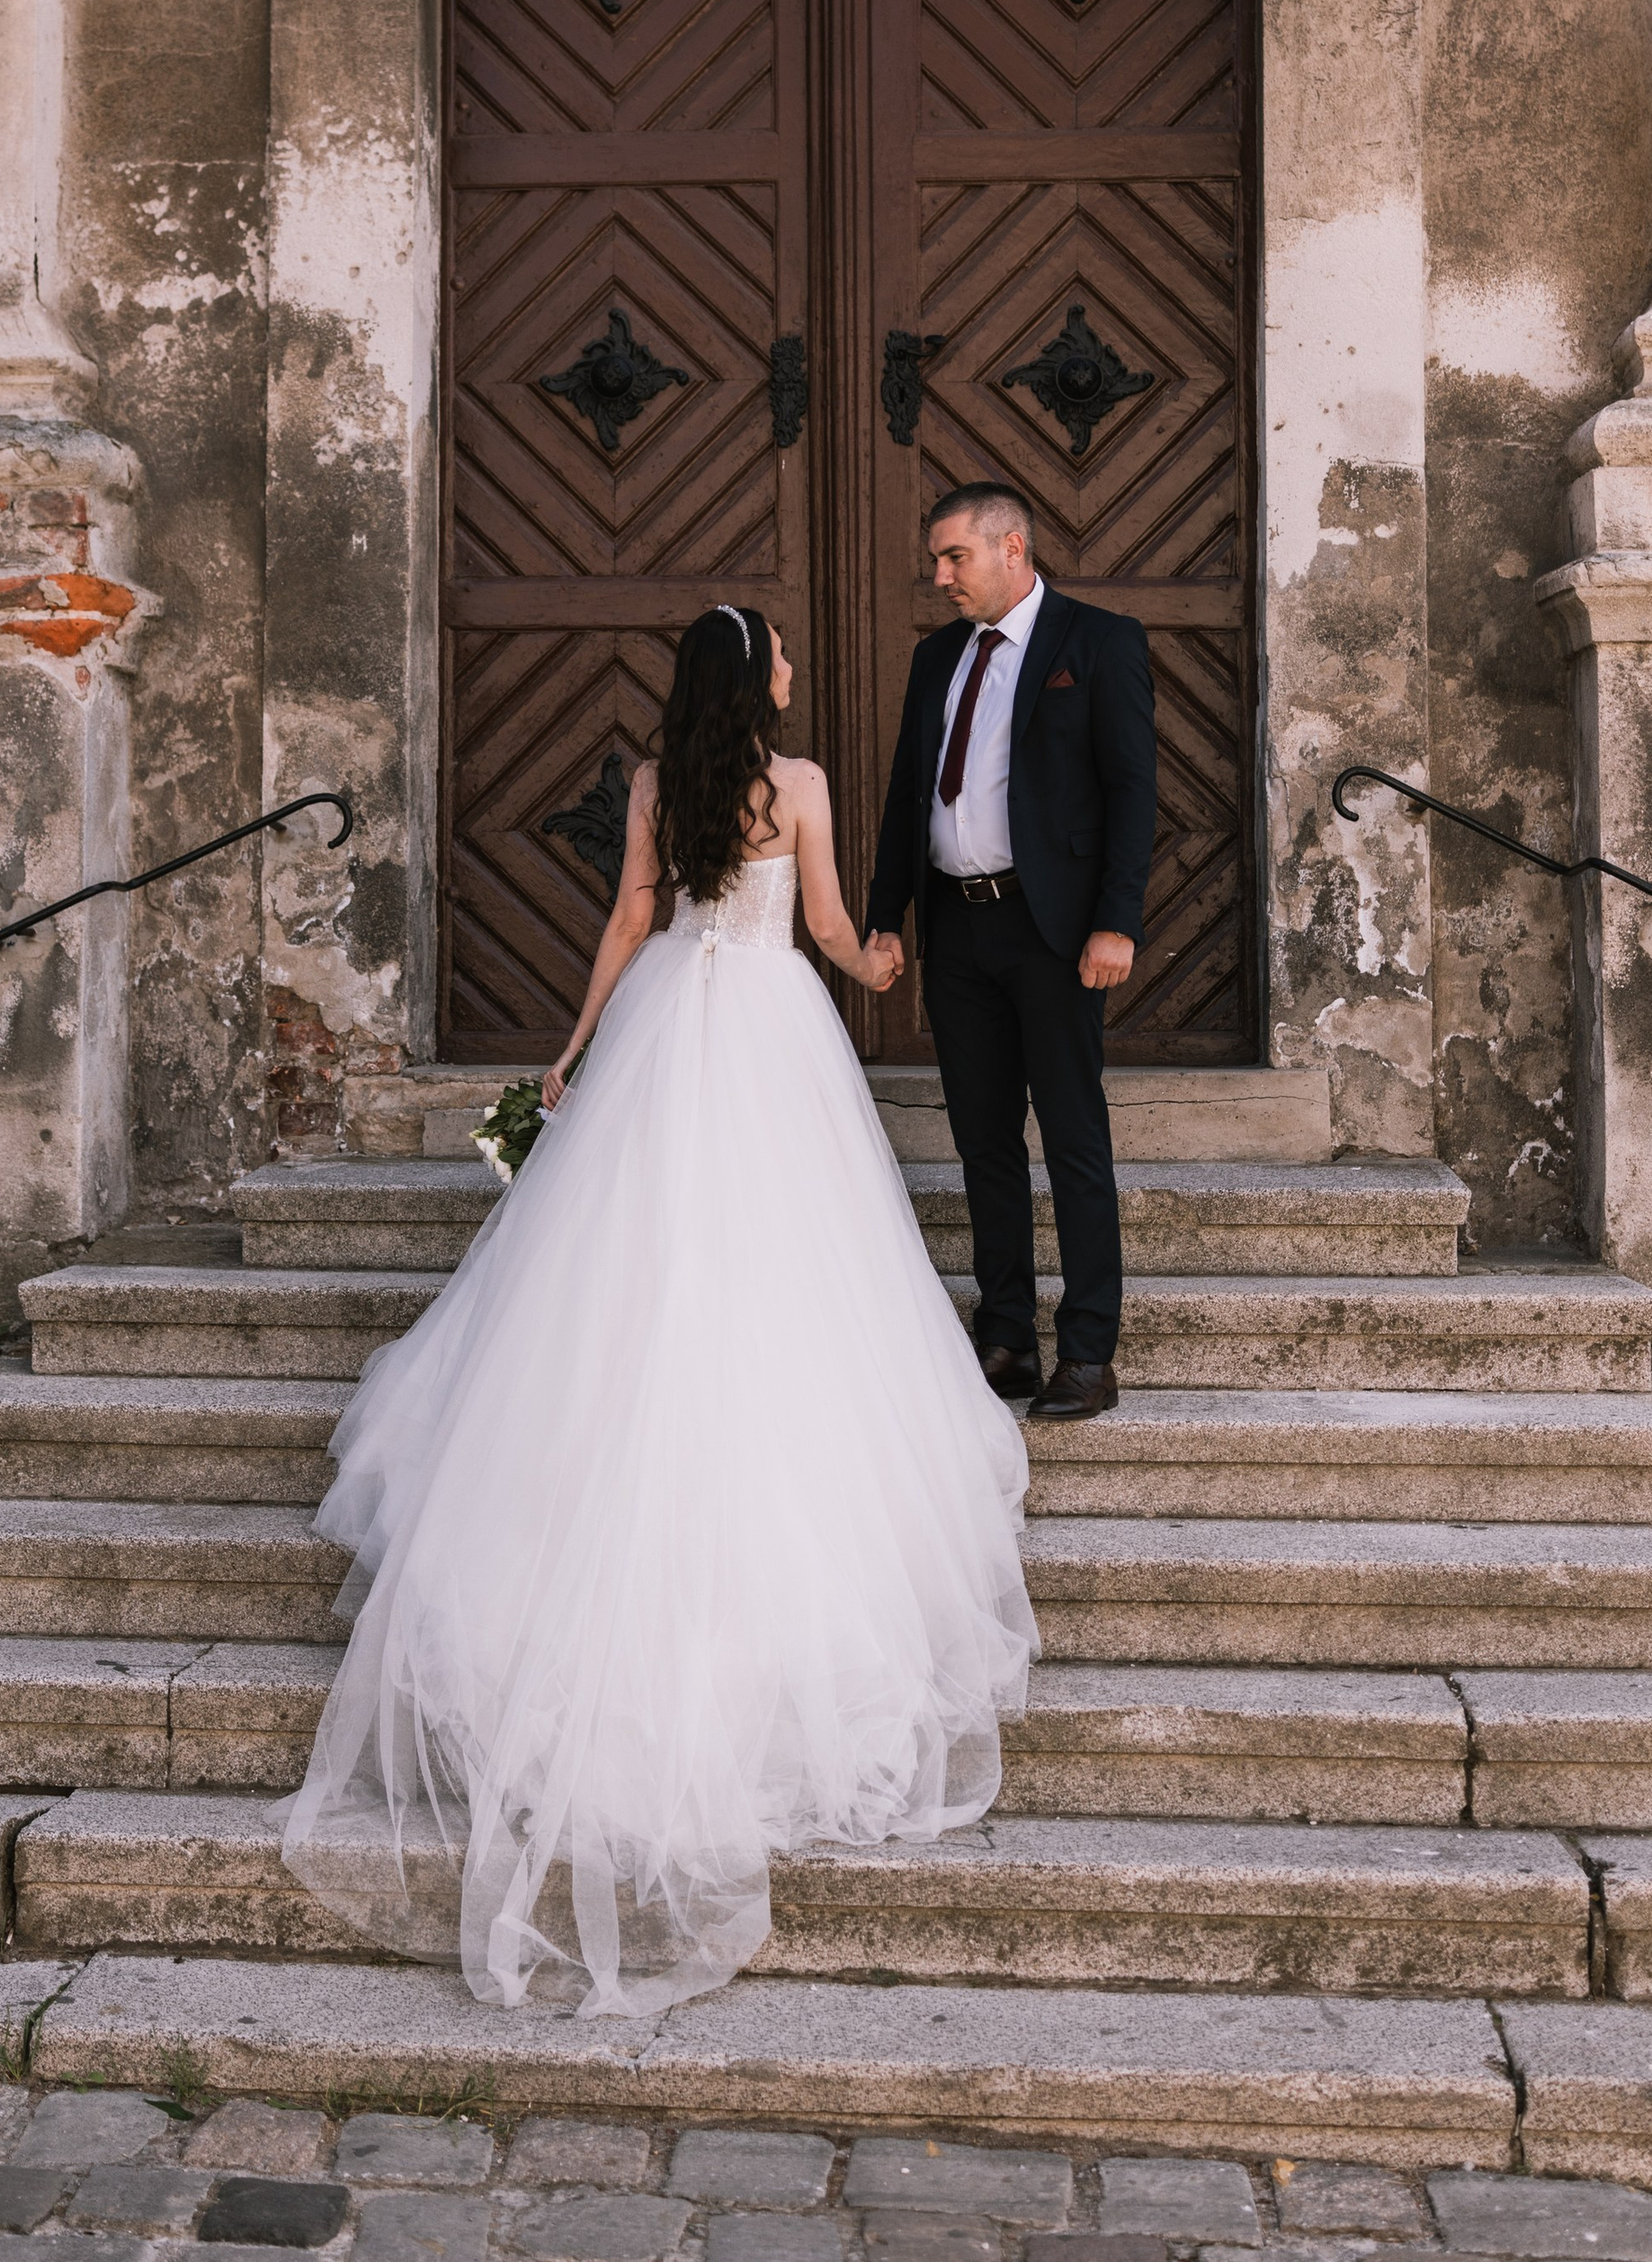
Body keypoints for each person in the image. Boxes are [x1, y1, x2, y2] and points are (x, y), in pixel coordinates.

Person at [281, 603, 1036, 2016]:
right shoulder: (799, 784)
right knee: (782, 1257)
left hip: (661, 1035)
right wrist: (877, 964)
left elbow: (630, 914)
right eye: (786, 656)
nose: (801, 670)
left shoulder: (654, 785)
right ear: (759, 681)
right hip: (768, 1029)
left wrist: (572, 1050)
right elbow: (817, 925)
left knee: (622, 1259)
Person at [864, 485, 1158, 1423]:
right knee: (983, 1139)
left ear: (1013, 548)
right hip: (957, 928)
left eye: (954, 557)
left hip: (1056, 930)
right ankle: (1004, 1335)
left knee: (1072, 1135)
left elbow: (1132, 790)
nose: (940, 576)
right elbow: (909, 793)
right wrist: (885, 915)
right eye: (938, 559)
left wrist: (1117, 921)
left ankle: (1087, 1350)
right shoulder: (935, 657)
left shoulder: (1097, 642)